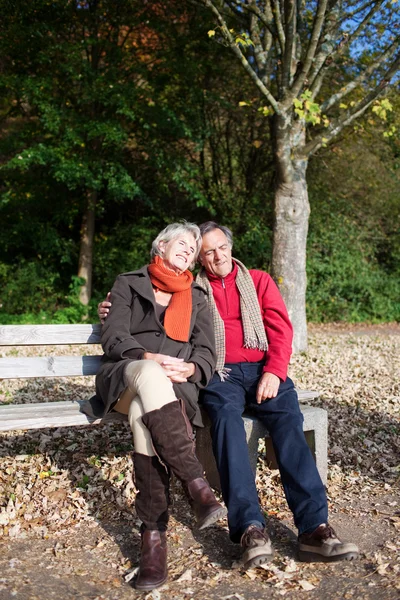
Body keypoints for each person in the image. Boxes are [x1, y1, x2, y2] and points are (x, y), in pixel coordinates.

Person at [99, 221, 359, 570]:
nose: (216, 255)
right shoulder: (195, 291)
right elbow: (147, 316)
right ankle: (249, 528)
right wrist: (110, 309)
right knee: (226, 426)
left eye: (221, 247)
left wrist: (273, 371)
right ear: (199, 260)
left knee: (289, 426)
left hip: (262, 369)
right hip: (221, 376)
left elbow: (281, 330)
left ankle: (314, 528)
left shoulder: (257, 281)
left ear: (231, 248)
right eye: (207, 251)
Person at [86, 222, 226, 592]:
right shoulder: (128, 283)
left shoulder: (197, 297)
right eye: (182, 243)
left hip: (170, 390)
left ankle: (152, 538)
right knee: (149, 373)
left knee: (142, 419)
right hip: (126, 376)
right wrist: (146, 355)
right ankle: (196, 485)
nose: (188, 251)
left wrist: (193, 367)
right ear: (161, 245)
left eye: (192, 250)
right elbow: (114, 335)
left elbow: (207, 351)